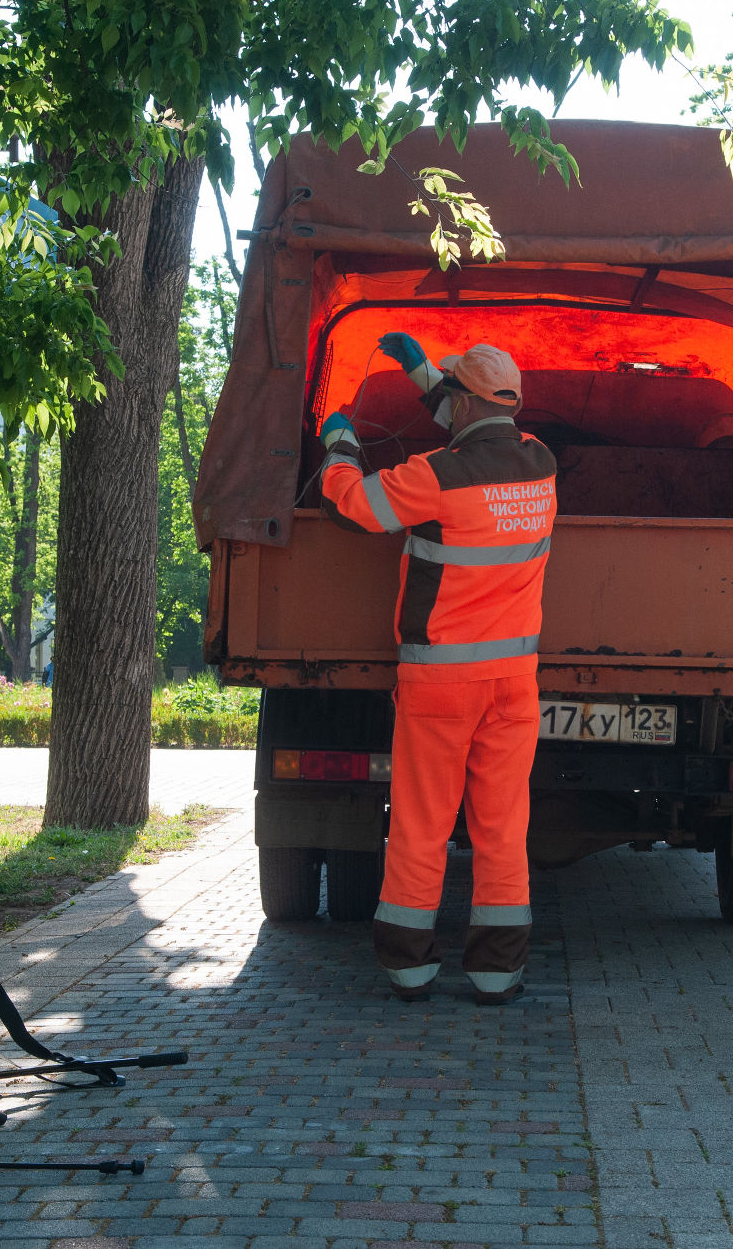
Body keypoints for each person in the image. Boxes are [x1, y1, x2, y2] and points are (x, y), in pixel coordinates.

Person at [318, 333, 556, 1004]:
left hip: (440, 685)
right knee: (502, 829)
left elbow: (355, 506)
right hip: (513, 685)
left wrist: (339, 449)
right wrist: (427, 374)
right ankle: (497, 973)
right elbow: (478, 424)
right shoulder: (541, 464)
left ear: (465, 403)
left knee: (422, 827)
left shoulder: (434, 475)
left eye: (451, 393)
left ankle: (410, 966)